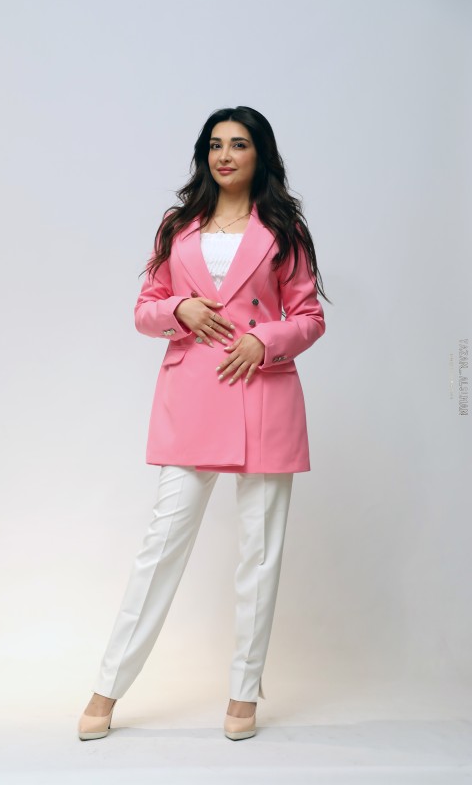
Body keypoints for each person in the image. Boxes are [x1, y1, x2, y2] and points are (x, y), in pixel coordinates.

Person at [78, 105, 329, 742]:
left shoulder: (284, 228)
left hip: (262, 396)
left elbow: (309, 318)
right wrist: (180, 308)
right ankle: (107, 686)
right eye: (215, 145)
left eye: (238, 145)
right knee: (160, 548)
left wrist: (266, 339)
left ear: (260, 155)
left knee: (260, 555)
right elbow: (144, 309)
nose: (224, 155)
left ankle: (243, 694)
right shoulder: (177, 227)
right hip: (193, 396)